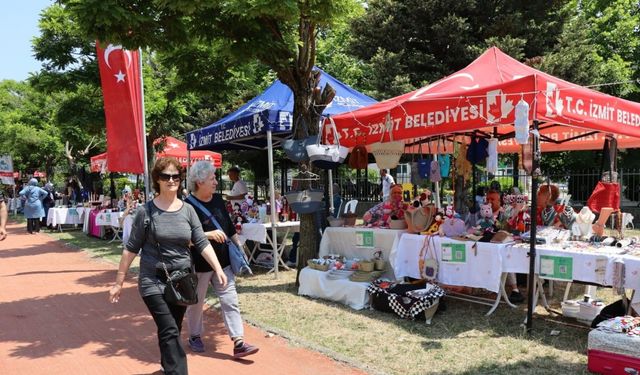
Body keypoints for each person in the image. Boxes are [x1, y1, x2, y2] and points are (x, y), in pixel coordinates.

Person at [109, 157, 228, 375]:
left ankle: (167, 367)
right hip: (152, 279)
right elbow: (131, 249)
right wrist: (119, 282)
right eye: (166, 176)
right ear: (158, 180)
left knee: (171, 328)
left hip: (182, 279)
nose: (171, 180)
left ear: (181, 179)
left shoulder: (188, 211)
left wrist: (218, 269)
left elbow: (201, 242)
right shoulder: (146, 212)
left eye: (175, 176)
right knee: (170, 329)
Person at [184, 161, 259, 358]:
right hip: (199, 265)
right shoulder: (187, 206)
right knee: (196, 304)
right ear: (199, 182)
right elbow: (185, 238)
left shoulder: (218, 200)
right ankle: (194, 335)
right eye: (212, 179)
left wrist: (239, 247)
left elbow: (228, 226)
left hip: (224, 262)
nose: (216, 182)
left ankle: (239, 342)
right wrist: (208, 234)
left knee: (230, 300)